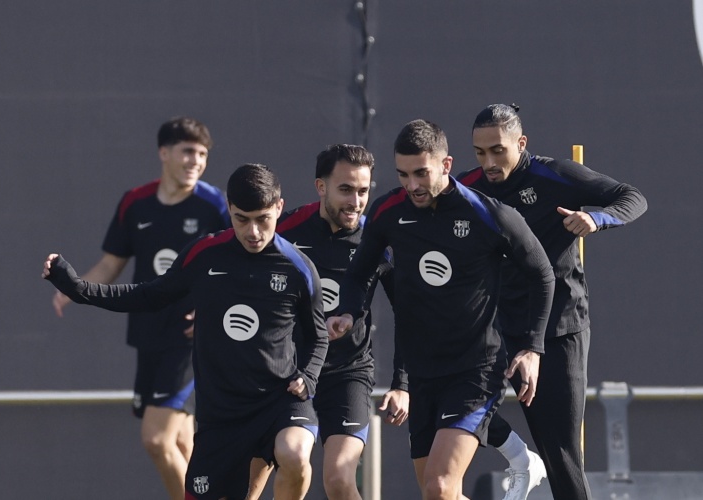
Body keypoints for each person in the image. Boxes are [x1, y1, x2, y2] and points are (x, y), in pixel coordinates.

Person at [43, 163, 329, 500]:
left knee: (294, 455)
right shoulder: (204, 254)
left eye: (263, 219)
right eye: (242, 219)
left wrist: (309, 375)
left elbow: (318, 336)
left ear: (279, 208)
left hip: (278, 401)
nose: (253, 231)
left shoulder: (298, 267)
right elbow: (148, 295)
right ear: (229, 208)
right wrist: (80, 290)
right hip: (221, 414)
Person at [327, 120, 555, 500]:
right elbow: (357, 275)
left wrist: (533, 347)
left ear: (446, 165)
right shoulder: (388, 212)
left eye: (421, 173)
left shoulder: (488, 214)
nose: (412, 184)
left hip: (475, 370)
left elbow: (542, 274)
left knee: (439, 487)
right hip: (423, 374)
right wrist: (349, 312)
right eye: (403, 174)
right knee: (438, 494)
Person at [458, 103, 648, 500]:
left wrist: (597, 219)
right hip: (496, 328)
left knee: (560, 452)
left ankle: (539, 462)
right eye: (480, 152)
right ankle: (520, 458)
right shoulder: (467, 186)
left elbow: (631, 197)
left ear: (521, 143)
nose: (489, 162)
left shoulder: (555, 174)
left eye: (498, 150)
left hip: (558, 329)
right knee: (448, 402)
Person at [49, 116, 229, 499]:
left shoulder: (215, 205)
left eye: (203, 154)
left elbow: (242, 262)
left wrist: (214, 308)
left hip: (192, 341)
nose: (196, 161)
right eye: (188, 152)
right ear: (164, 153)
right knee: (181, 444)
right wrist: (74, 288)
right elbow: (111, 264)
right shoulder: (135, 202)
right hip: (149, 335)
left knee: (156, 439)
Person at [247, 144, 409, 499]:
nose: (355, 201)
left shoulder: (378, 241)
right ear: (321, 187)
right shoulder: (285, 230)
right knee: (256, 481)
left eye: (363, 191)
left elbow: (409, 314)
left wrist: (402, 384)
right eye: (345, 190)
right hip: (288, 372)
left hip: (348, 373)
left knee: (338, 480)